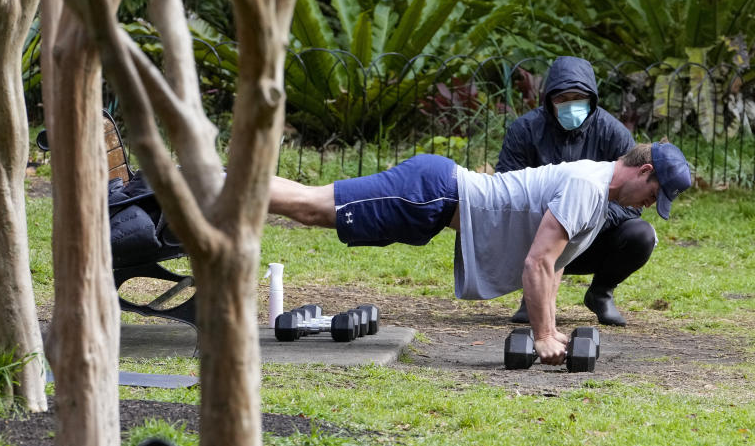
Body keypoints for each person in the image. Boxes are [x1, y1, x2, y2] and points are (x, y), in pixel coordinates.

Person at [268, 142, 691, 366]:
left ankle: (230, 183)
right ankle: (225, 184)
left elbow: (555, 264)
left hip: (437, 201)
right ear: (644, 171)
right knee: (311, 207)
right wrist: (542, 336)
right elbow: (537, 262)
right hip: (432, 193)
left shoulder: (598, 194)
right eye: (655, 193)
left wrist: (553, 327)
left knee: (315, 205)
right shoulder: (588, 185)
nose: (651, 204)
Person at [497, 55, 651, 327]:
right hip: (539, 234)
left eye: (578, 97)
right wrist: (554, 218)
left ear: (591, 99)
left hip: (591, 237)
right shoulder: (524, 130)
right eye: (562, 98)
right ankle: (533, 294)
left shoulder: (613, 133)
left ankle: (601, 293)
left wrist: (585, 217)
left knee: (641, 234)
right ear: (548, 100)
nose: (571, 105)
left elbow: (634, 199)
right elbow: (505, 187)